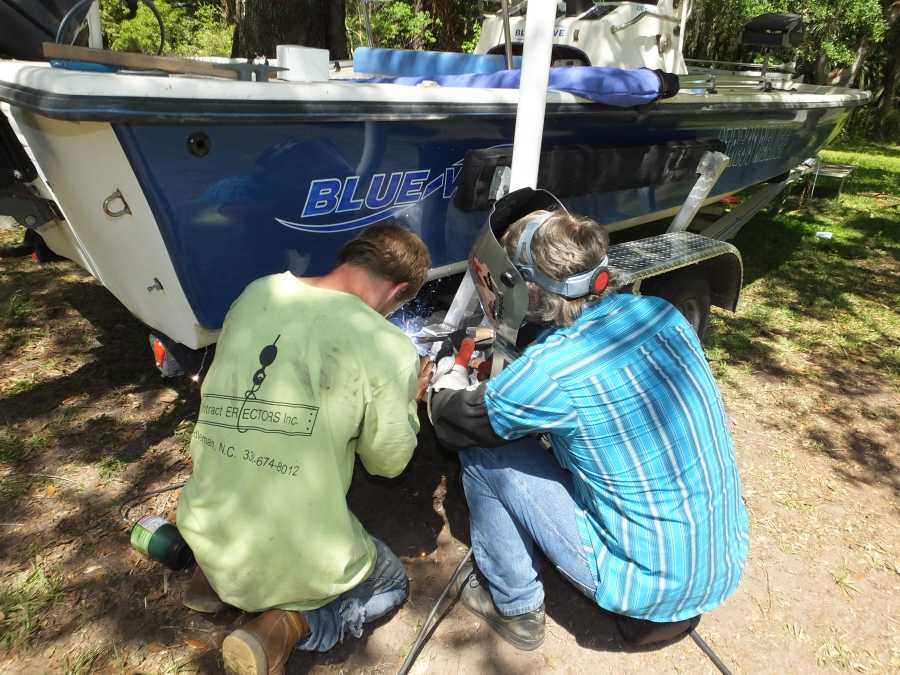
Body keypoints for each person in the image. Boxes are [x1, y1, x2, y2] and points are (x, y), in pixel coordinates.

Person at [430, 197, 749, 651]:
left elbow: (456, 424)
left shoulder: (553, 371)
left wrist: (449, 375)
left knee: (483, 449)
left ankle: (515, 605)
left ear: (529, 289)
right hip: (716, 561)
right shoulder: (662, 314)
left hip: (643, 588)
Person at [176, 224, 431, 675]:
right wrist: (405, 405)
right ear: (401, 291)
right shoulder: (385, 344)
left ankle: (208, 579)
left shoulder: (259, 292)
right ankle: (287, 624)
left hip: (204, 523)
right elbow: (388, 463)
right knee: (390, 582)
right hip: (288, 561)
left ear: (348, 259)